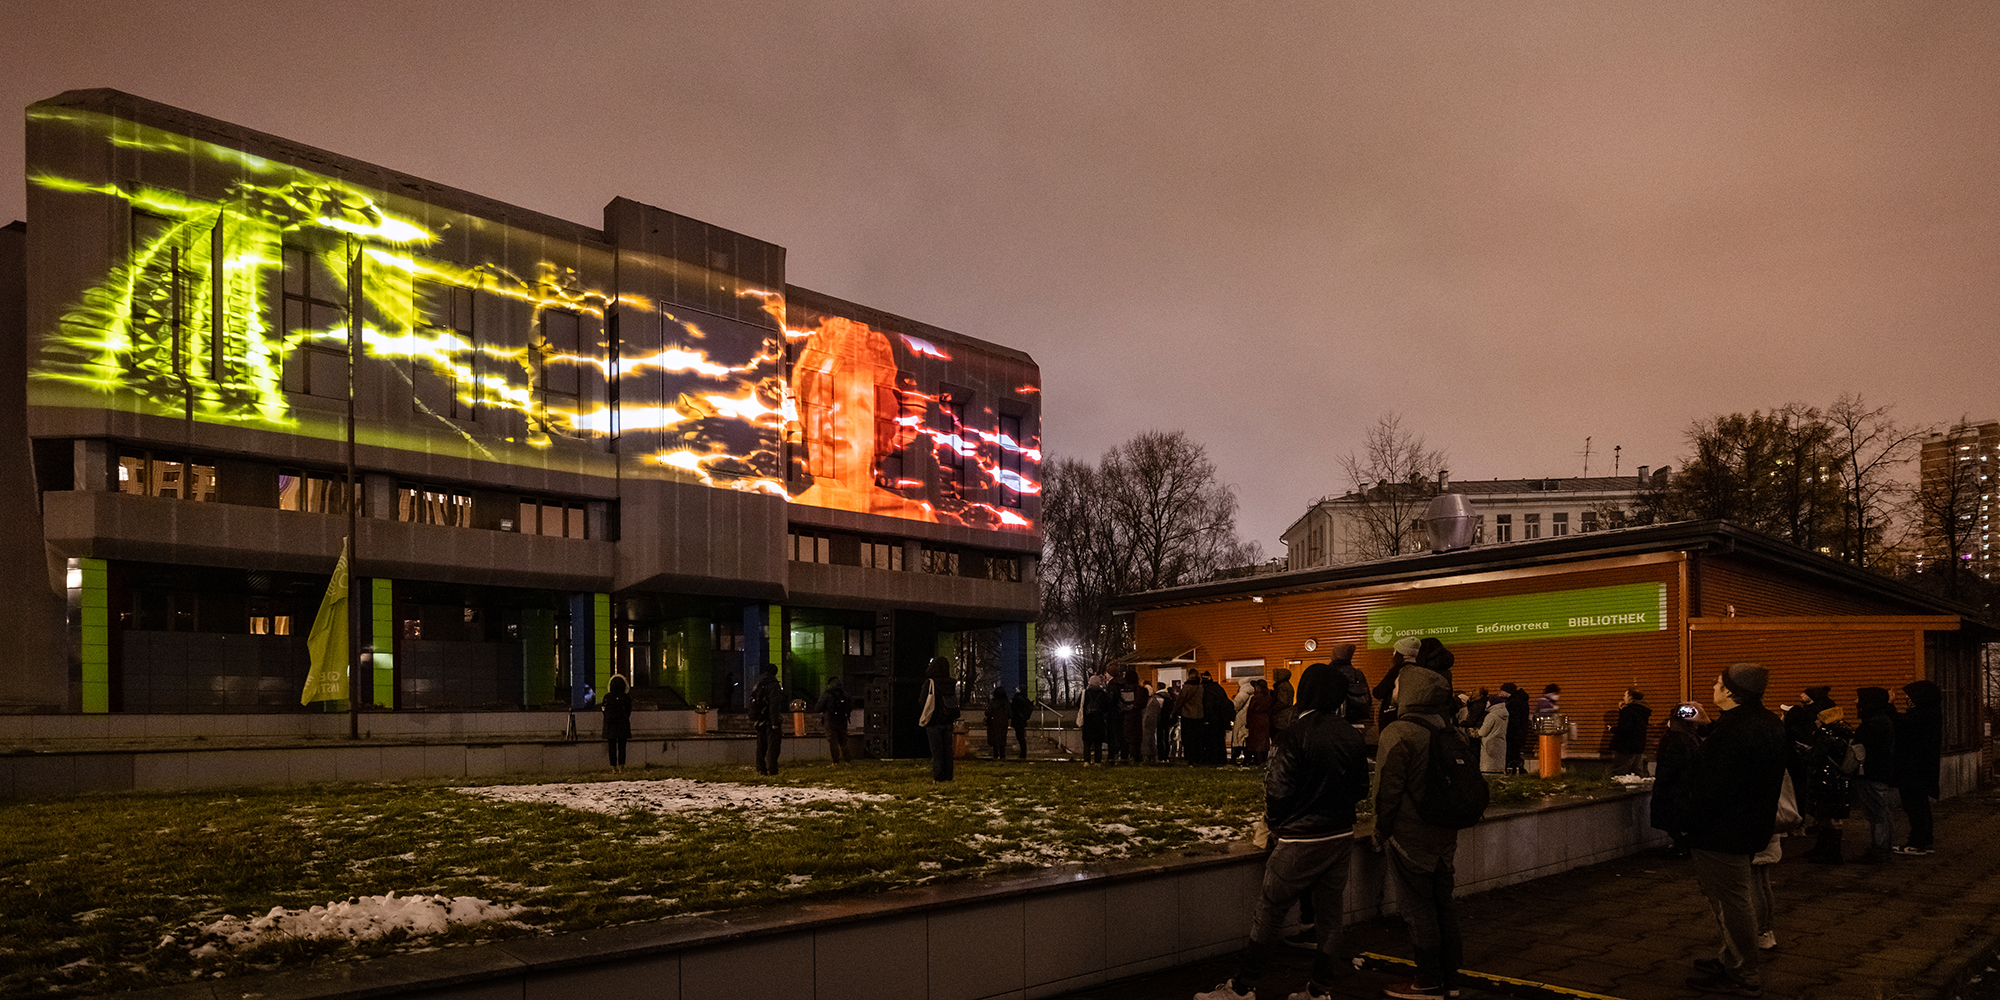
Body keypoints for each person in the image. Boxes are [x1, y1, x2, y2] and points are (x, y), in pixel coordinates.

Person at [1195, 664, 1371, 1000]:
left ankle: (1243, 987)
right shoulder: (1350, 733)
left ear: (1305, 692)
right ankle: (1320, 990)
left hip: (1299, 837)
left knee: (1270, 911)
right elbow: (1360, 788)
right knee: (1330, 917)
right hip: (1340, 835)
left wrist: (1277, 827)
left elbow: (1276, 791)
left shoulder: (1293, 735)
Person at [1682, 663, 1787, 996]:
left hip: (1721, 831)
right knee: (1738, 897)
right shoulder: (1765, 722)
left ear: (1729, 691)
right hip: (1749, 825)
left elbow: (1714, 787)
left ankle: (1743, 971)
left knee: (1731, 902)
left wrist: (1688, 823)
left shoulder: (1734, 731)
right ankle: (1732, 958)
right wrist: (1705, 728)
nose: (1713, 687)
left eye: (1717, 683)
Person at [1372, 660, 1465, 1000]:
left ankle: (1427, 981)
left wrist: (1381, 831)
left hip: (1410, 836)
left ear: (1410, 691)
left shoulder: (1398, 732)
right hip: (1444, 835)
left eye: (1397, 686)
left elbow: (1387, 791)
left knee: (1417, 909)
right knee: (1444, 904)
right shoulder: (1449, 728)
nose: (1393, 691)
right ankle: (1451, 979)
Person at [1895, 680, 1943, 856]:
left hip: (1914, 770)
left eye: (1909, 696)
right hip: (1921, 769)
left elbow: (1904, 726)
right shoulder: (1929, 714)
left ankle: (1917, 842)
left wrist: (1890, 708)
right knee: (1920, 806)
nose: (1907, 699)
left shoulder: (1922, 717)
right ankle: (1924, 839)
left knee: (1915, 806)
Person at [1650, 702, 1704, 859]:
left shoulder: (1675, 738)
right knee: (1678, 818)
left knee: (1670, 818)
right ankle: (1684, 845)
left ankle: (1682, 845)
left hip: (1673, 786)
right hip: (1685, 786)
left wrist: (1661, 780)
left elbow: (1671, 763)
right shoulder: (1692, 737)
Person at [1851, 686, 1898, 864]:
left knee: (1877, 813)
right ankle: (1882, 849)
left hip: (1871, 773)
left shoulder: (1874, 723)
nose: (1855, 703)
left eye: (1859, 699)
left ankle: (1880, 850)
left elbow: (1863, 748)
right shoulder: (1881, 720)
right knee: (1881, 812)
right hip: (1879, 773)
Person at [918, 657, 958, 781]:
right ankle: (948, 775)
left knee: (937, 751)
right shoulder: (951, 683)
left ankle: (939, 776)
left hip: (933, 721)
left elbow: (922, 701)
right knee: (948, 751)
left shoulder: (930, 682)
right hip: (948, 721)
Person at [1372, 637, 1417, 730]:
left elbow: (1379, 692)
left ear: (1400, 654)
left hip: (1394, 718)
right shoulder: (1422, 671)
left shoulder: (1396, 671)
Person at [749, 664, 786, 776]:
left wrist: (754, 717)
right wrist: (775, 722)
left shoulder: (758, 684)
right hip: (770, 720)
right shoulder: (773, 685)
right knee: (773, 745)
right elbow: (774, 705)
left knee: (761, 745)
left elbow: (752, 701)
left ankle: (760, 768)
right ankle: (772, 769)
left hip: (760, 720)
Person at [1610, 688, 1652, 776]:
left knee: (1620, 772)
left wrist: (1612, 729)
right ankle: (1640, 789)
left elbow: (1625, 728)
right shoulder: (1642, 710)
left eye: (1625, 695)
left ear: (1630, 697)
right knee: (1637, 772)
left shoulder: (1629, 711)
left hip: (1626, 747)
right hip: (1638, 746)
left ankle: (1618, 789)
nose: (1623, 697)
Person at [814, 676, 851, 764]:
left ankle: (836, 762)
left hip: (830, 721)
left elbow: (818, 708)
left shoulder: (827, 694)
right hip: (842, 720)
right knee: (844, 741)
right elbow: (850, 706)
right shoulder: (844, 694)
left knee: (833, 742)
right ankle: (847, 761)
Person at [1203, 673, 1238, 766]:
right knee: (1220, 740)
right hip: (1221, 719)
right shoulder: (1219, 689)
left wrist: (1206, 718)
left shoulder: (1207, 691)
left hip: (1212, 719)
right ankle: (1222, 759)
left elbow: (1208, 706)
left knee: (1212, 740)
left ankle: (1213, 760)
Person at [601, 674, 633, 773]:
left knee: (612, 747)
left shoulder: (607, 697)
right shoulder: (626, 698)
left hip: (610, 726)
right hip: (622, 725)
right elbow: (628, 712)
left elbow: (603, 711)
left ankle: (613, 767)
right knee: (622, 747)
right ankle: (622, 766)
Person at [1474, 691, 1508, 774]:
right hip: (1500, 744)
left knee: (1488, 771)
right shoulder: (1505, 714)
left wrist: (1476, 731)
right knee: (1498, 771)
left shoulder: (1491, 716)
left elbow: (1483, 732)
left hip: (1489, 745)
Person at [1081, 672, 1111, 764]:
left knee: (1087, 742)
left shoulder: (1085, 693)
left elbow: (1079, 704)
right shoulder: (1102, 694)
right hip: (1099, 720)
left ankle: (1087, 761)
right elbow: (1106, 707)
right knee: (1098, 743)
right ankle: (1098, 761)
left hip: (1087, 720)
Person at [1245, 679, 1276, 765]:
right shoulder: (1268, 697)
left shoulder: (1255, 697)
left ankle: (1257, 759)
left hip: (1255, 720)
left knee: (1255, 741)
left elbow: (1250, 711)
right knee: (1264, 740)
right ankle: (1263, 759)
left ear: (1258, 687)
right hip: (1265, 720)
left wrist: (1248, 722)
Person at [1503, 683, 1530, 775]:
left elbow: (1514, 720)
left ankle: (1515, 769)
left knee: (1512, 753)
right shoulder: (1521, 701)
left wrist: (1511, 731)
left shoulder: (1514, 703)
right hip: (1520, 732)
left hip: (1513, 733)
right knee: (1516, 752)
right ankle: (1518, 769)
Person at [1120, 669, 1145, 764]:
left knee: (1127, 736)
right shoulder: (1139, 689)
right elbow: (1142, 702)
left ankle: (1127, 755)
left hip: (1126, 715)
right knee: (1136, 737)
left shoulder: (1123, 689)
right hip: (1136, 715)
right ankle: (1136, 755)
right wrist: (1134, 706)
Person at [984, 685, 1010, 760]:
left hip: (994, 722)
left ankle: (995, 754)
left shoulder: (993, 702)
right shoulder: (1006, 703)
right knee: (1002, 738)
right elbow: (1010, 714)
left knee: (995, 738)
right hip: (1004, 723)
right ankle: (1002, 755)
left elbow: (987, 712)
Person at [1010, 687, 1034, 760]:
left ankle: (1023, 753)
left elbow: (1013, 710)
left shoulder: (1017, 700)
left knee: (1020, 736)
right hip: (1022, 720)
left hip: (1017, 720)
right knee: (1021, 737)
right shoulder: (1025, 700)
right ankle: (1023, 752)